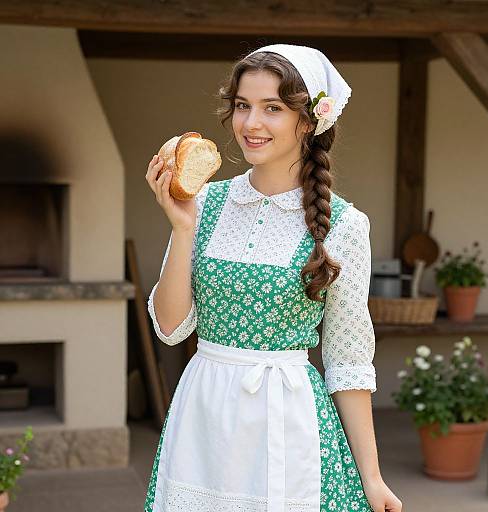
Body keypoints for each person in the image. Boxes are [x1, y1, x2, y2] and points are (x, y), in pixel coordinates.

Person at [143, 44, 402, 512]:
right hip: (202, 413)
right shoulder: (201, 203)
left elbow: (347, 361)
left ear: (310, 121)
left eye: (272, 108)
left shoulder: (344, 225)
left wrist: (373, 477)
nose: (250, 124)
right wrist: (182, 229)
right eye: (243, 106)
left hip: (289, 422)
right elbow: (169, 327)